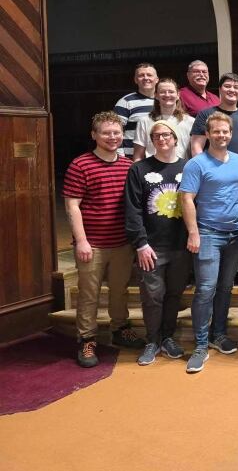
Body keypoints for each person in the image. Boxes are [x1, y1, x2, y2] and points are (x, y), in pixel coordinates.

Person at [63, 112, 145, 368]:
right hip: (93, 244)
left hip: (122, 243)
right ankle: (87, 339)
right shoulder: (81, 165)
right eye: (107, 132)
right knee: (89, 295)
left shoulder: (129, 165)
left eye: (117, 132)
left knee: (120, 291)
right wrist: (82, 241)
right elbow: (72, 206)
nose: (113, 137)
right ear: (94, 135)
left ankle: (120, 329)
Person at [180, 112, 238, 373]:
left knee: (225, 287)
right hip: (208, 234)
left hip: (235, 235)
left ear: (231, 134)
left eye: (225, 131)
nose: (222, 135)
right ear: (207, 134)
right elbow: (187, 199)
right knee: (206, 289)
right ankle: (199, 344)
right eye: (216, 131)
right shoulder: (197, 164)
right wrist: (193, 232)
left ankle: (218, 334)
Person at [124, 120, 189, 365]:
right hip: (151, 246)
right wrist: (140, 243)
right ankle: (152, 340)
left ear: (175, 139)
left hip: (181, 245)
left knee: (174, 294)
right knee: (152, 296)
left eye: (166, 135)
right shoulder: (139, 169)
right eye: (156, 136)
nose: (162, 139)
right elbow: (132, 210)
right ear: (152, 141)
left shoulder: (188, 167)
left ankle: (168, 337)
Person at [191, 72, 238, 170]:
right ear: (220, 89)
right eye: (227, 86)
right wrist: (203, 170)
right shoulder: (205, 114)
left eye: (236, 87)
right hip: (214, 173)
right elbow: (196, 146)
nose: (232, 90)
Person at [133, 78, 194, 161]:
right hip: (152, 171)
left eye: (171, 92)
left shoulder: (190, 122)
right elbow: (138, 156)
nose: (167, 95)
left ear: (178, 95)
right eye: (162, 92)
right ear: (156, 95)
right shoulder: (144, 121)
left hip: (182, 170)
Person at [114, 62, 158, 157]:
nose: (146, 78)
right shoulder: (125, 102)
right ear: (135, 80)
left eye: (149, 75)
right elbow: (115, 132)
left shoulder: (165, 100)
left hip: (160, 158)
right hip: (132, 158)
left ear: (157, 79)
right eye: (141, 75)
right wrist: (121, 158)